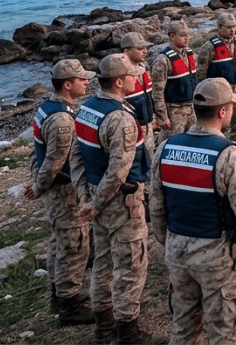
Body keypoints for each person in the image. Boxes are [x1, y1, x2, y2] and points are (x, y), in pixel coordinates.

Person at [150, 77, 236, 345]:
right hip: (218, 256)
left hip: (178, 249)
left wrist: (166, 240)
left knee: (183, 327)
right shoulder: (231, 156)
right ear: (223, 111)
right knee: (225, 331)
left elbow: (156, 205)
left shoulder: (165, 148)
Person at [70, 54, 163, 343]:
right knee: (130, 266)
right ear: (120, 82)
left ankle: (104, 328)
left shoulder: (86, 109)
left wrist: (86, 197)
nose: (137, 79)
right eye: (132, 76)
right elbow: (119, 171)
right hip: (121, 202)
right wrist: (95, 205)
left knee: (103, 261)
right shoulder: (121, 118)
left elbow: (77, 156)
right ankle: (129, 332)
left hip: (95, 194)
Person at [23, 59, 96, 327]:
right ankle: (69, 305)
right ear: (68, 84)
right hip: (63, 190)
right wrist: (38, 187)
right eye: (82, 79)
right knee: (74, 245)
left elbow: (37, 152)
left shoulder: (47, 107)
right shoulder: (63, 119)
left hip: (54, 188)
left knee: (58, 242)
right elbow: (55, 161)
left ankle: (58, 295)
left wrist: (36, 181)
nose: (87, 82)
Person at [197, 13, 236, 143]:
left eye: (234, 27)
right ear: (219, 27)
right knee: (219, 124)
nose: (232, 30)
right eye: (228, 27)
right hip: (218, 92)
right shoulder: (209, 47)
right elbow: (201, 73)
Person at [150, 20, 198, 145]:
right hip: (174, 111)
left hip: (191, 108)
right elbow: (157, 91)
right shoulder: (163, 60)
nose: (186, 38)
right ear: (172, 36)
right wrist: (162, 116)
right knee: (170, 144)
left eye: (187, 35)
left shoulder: (189, 54)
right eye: (182, 35)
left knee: (193, 141)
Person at [120, 32, 154, 130]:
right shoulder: (120, 74)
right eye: (140, 49)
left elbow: (150, 96)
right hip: (132, 127)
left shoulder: (143, 68)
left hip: (148, 124)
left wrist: (153, 117)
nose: (145, 51)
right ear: (127, 51)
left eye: (145, 48)